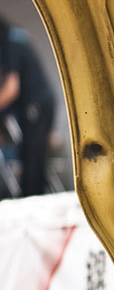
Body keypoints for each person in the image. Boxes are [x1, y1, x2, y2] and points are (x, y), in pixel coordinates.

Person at [0, 17, 56, 196]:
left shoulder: (12, 42)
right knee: (33, 156)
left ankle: (34, 198)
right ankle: (36, 196)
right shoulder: (16, 37)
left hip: (35, 104)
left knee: (32, 159)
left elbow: (11, 88)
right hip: (40, 103)